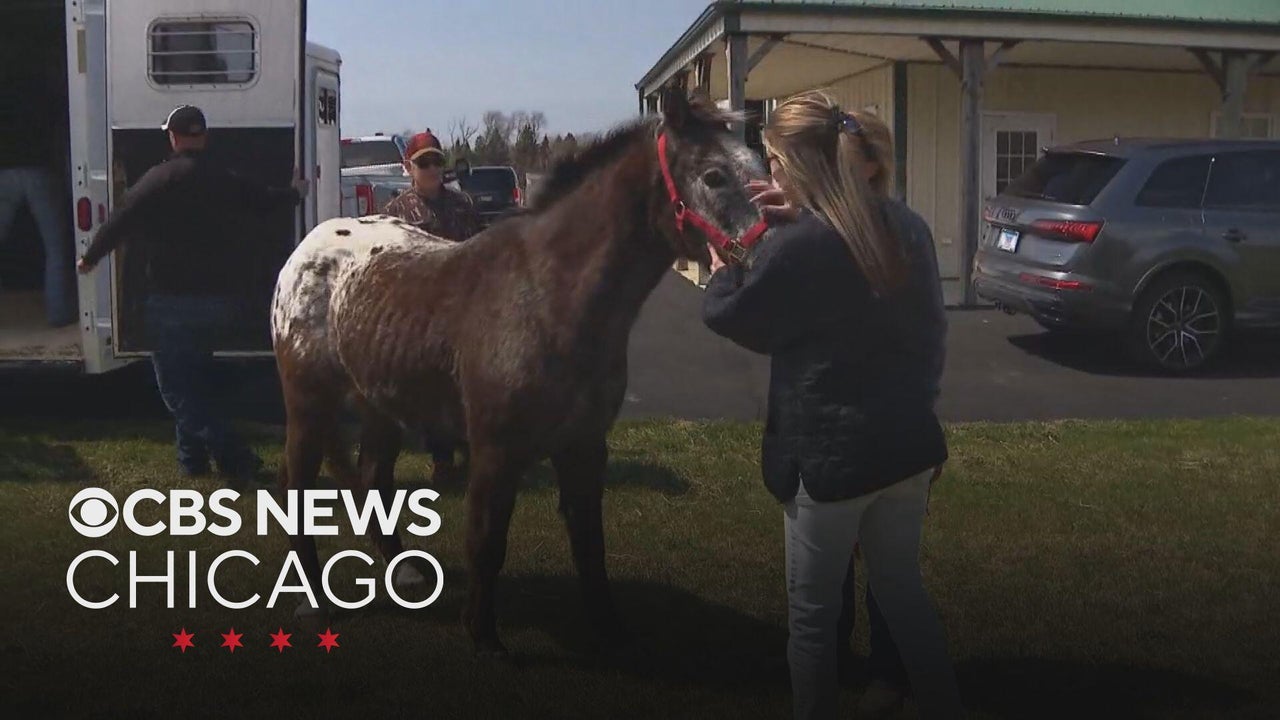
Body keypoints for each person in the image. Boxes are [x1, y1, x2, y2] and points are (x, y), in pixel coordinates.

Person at [702, 90, 960, 720]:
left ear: (799, 162)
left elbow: (737, 316)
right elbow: (930, 331)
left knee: (812, 622)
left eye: (774, 161)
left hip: (829, 461)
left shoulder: (800, 243)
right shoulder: (909, 226)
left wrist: (725, 266)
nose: (771, 175)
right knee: (904, 597)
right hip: (906, 448)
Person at [77, 105, 308, 485]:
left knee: (178, 393)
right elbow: (266, 200)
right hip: (217, 303)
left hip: (170, 301)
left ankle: (237, 457)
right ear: (204, 136)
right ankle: (192, 461)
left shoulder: (159, 178)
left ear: (173, 137)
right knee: (194, 382)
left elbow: (120, 220)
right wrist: (296, 193)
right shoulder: (224, 178)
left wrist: (90, 258)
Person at [381, 130, 481, 485]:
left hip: (462, 309)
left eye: (438, 161)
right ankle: (442, 460)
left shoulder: (463, 204)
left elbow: (478, 250)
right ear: (409, 167)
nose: (433, 169)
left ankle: (472, 454)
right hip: (420, 315)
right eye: (424, 163)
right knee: (433, 391)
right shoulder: (395, 212)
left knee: (468, 387)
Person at [0, 67, 76, 327]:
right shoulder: (47, 103)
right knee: (55, 248)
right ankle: (59, 313)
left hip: (4, 174)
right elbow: (60, 140)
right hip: (40, 172)